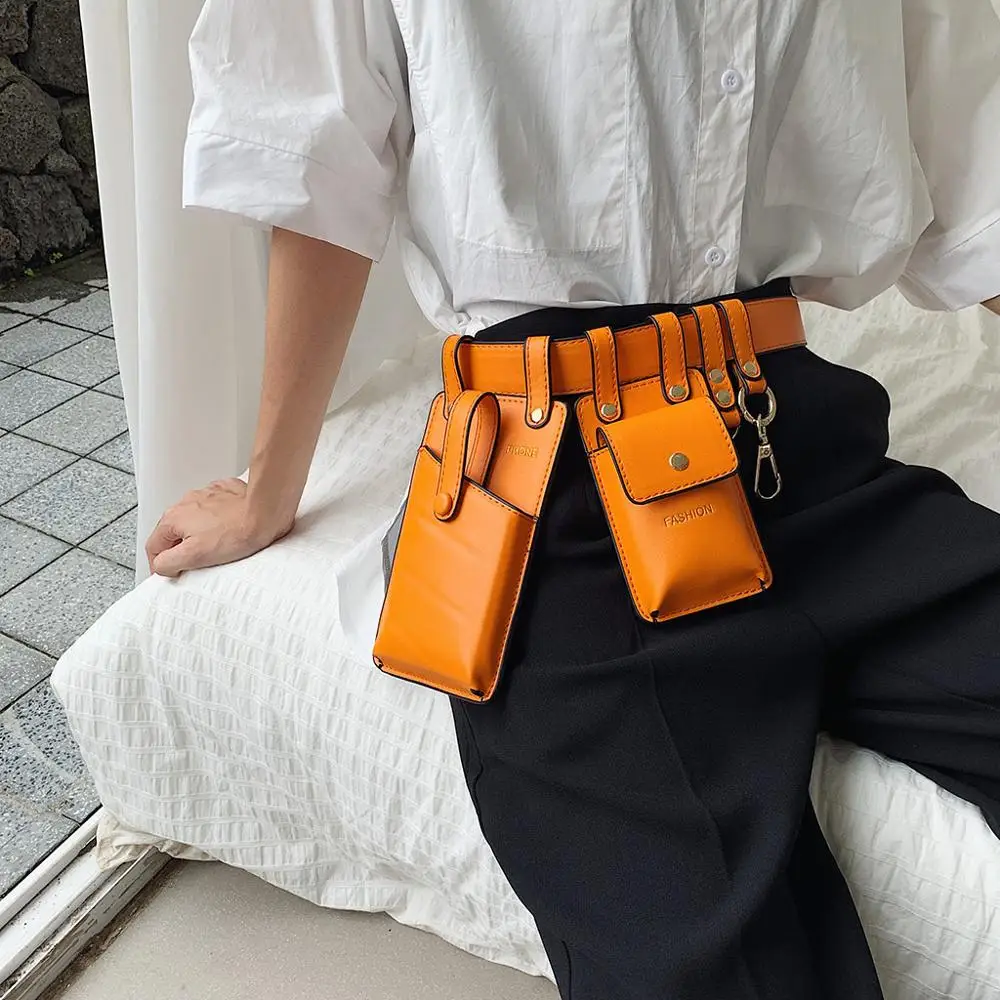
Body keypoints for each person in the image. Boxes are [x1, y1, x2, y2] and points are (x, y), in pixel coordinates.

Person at [147, 1, 1000, 997]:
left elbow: (976, 173)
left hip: (797, 437)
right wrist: (269, 486)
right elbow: (319, 164)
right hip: (558, 491)